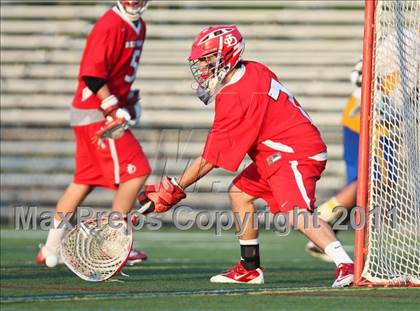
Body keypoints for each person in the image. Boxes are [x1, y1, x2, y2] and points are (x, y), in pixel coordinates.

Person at [140, 25, 354, 287]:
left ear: (228, 56)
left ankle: (346, 264)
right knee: (239, 193)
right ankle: (249, 268)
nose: (204, 68)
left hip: (294, 152)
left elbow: (211, 158)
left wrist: (174, 188)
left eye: (208, 60)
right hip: (275, 152)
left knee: (296, 213)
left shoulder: (236, 95)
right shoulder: (253, 68)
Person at [36, 0, 151, 266]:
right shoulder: (110, 23)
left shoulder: (138, 25)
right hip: (95, 112)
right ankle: (115, 244)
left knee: (83, 181)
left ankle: (51, 249)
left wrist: (127, 99)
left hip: (92, 111)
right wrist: (112, 107)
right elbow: (92, 75)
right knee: (137, 170)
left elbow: (118, 72)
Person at [305, 59, 362, 262]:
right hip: (368, 118)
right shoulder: (401, 41)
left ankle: (326, 232)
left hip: (378, 120)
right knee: (367, 180)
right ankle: (320, 219)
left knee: (373, 186)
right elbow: (360, 75)